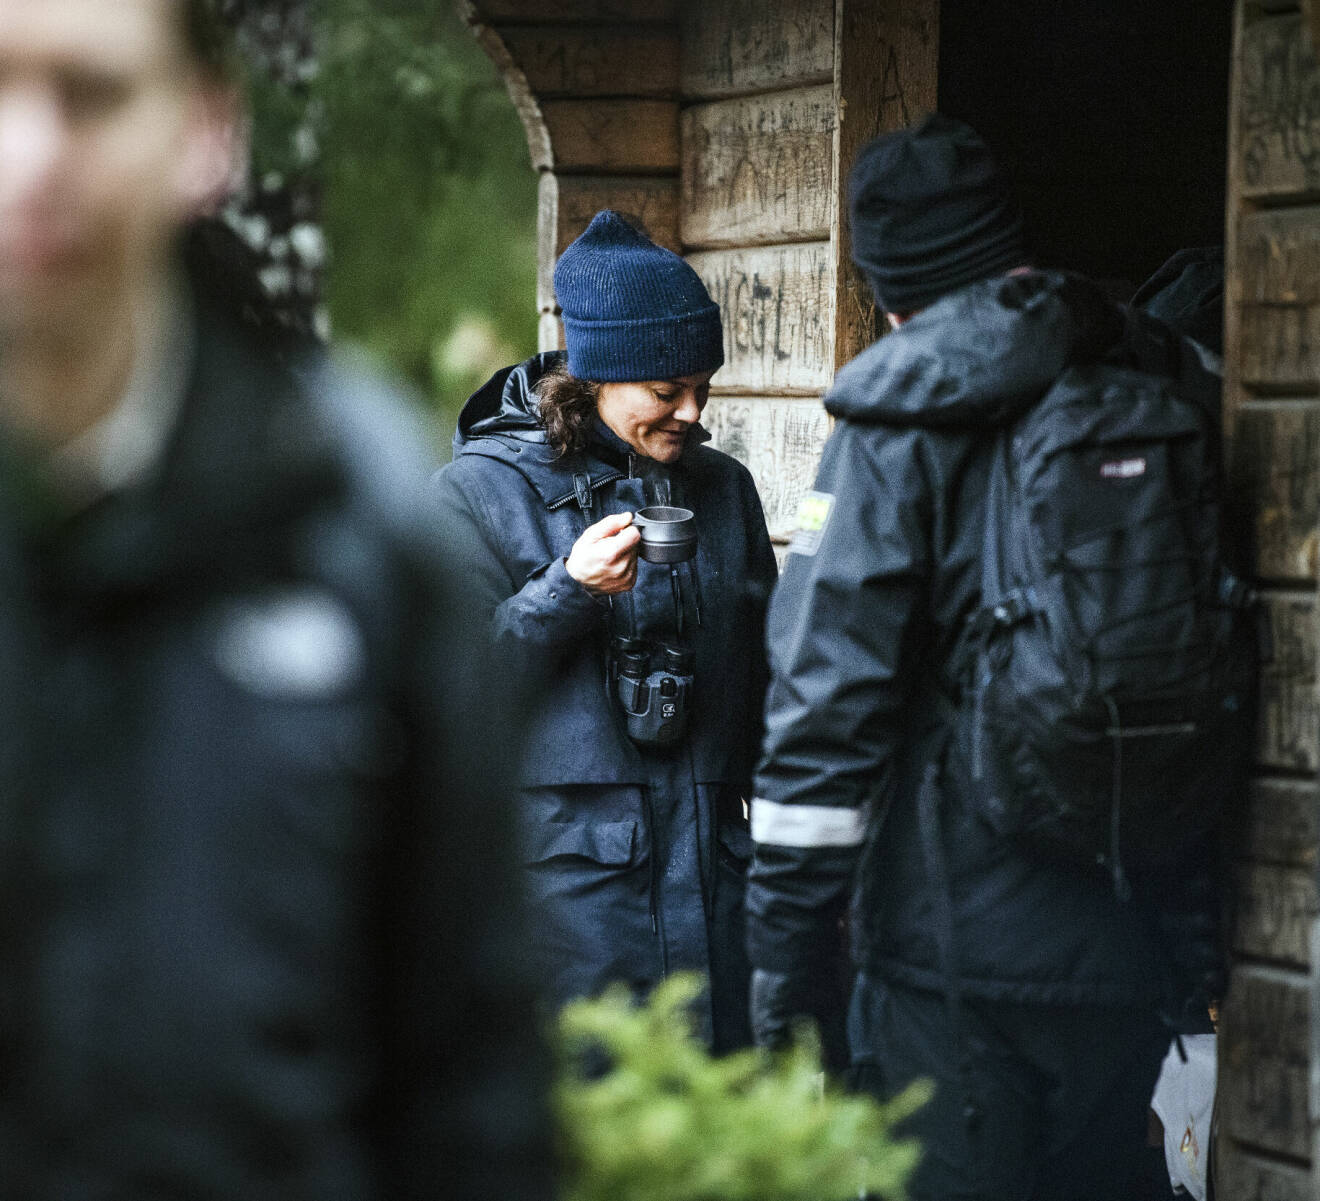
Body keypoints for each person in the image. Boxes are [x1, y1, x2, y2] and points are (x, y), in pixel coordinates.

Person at [0, 1, 550, 1197]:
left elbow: (474, 1076)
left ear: (206, 129)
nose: (31, 156)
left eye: (92, 94)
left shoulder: (359, 520)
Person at [745, 115, 1231, 1200]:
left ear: (889, 290)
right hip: (1128, 938)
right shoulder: (1163, 380)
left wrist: (781, 972)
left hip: (951, 958)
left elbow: (825, 706)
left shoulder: (892, 423)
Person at [432, 210, 777, 1051]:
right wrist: (568, 589)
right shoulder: (478, 493)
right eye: (667, 391)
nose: (692, 411)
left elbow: (773, 682)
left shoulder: (725, 490)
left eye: (703, 388)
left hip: (721, 899)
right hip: (573, 921)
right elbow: (453, 693)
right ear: (597, 375)